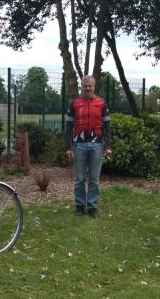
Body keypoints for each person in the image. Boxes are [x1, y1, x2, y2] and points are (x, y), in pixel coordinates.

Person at [65, 75, 112, 219]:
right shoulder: (74, 103)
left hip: (97, 145)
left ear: (93, 87)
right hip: (78, 145)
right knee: (79, 178)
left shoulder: (101, 103)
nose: (87, 88)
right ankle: (80, 206)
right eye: (85, 86)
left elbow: (107, 126)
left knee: (94, 179)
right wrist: (69, 147)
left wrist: (108, 146)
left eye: (90, 86)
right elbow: (68, 126)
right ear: (82, 87)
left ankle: (92, 207)